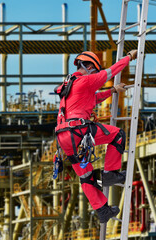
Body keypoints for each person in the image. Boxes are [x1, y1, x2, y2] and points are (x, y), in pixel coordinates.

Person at [54, 50, 137, 223]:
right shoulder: (86, 79)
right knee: (118, 135)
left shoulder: (70, 85)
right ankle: (110, 173)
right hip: (77, 131)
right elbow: (112, 71)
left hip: (64, 138)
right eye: (94, 70)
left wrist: (113, 90)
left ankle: (103, 210)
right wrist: (129, 56)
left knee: (86, 176)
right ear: (90, 67)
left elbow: (93, 99)